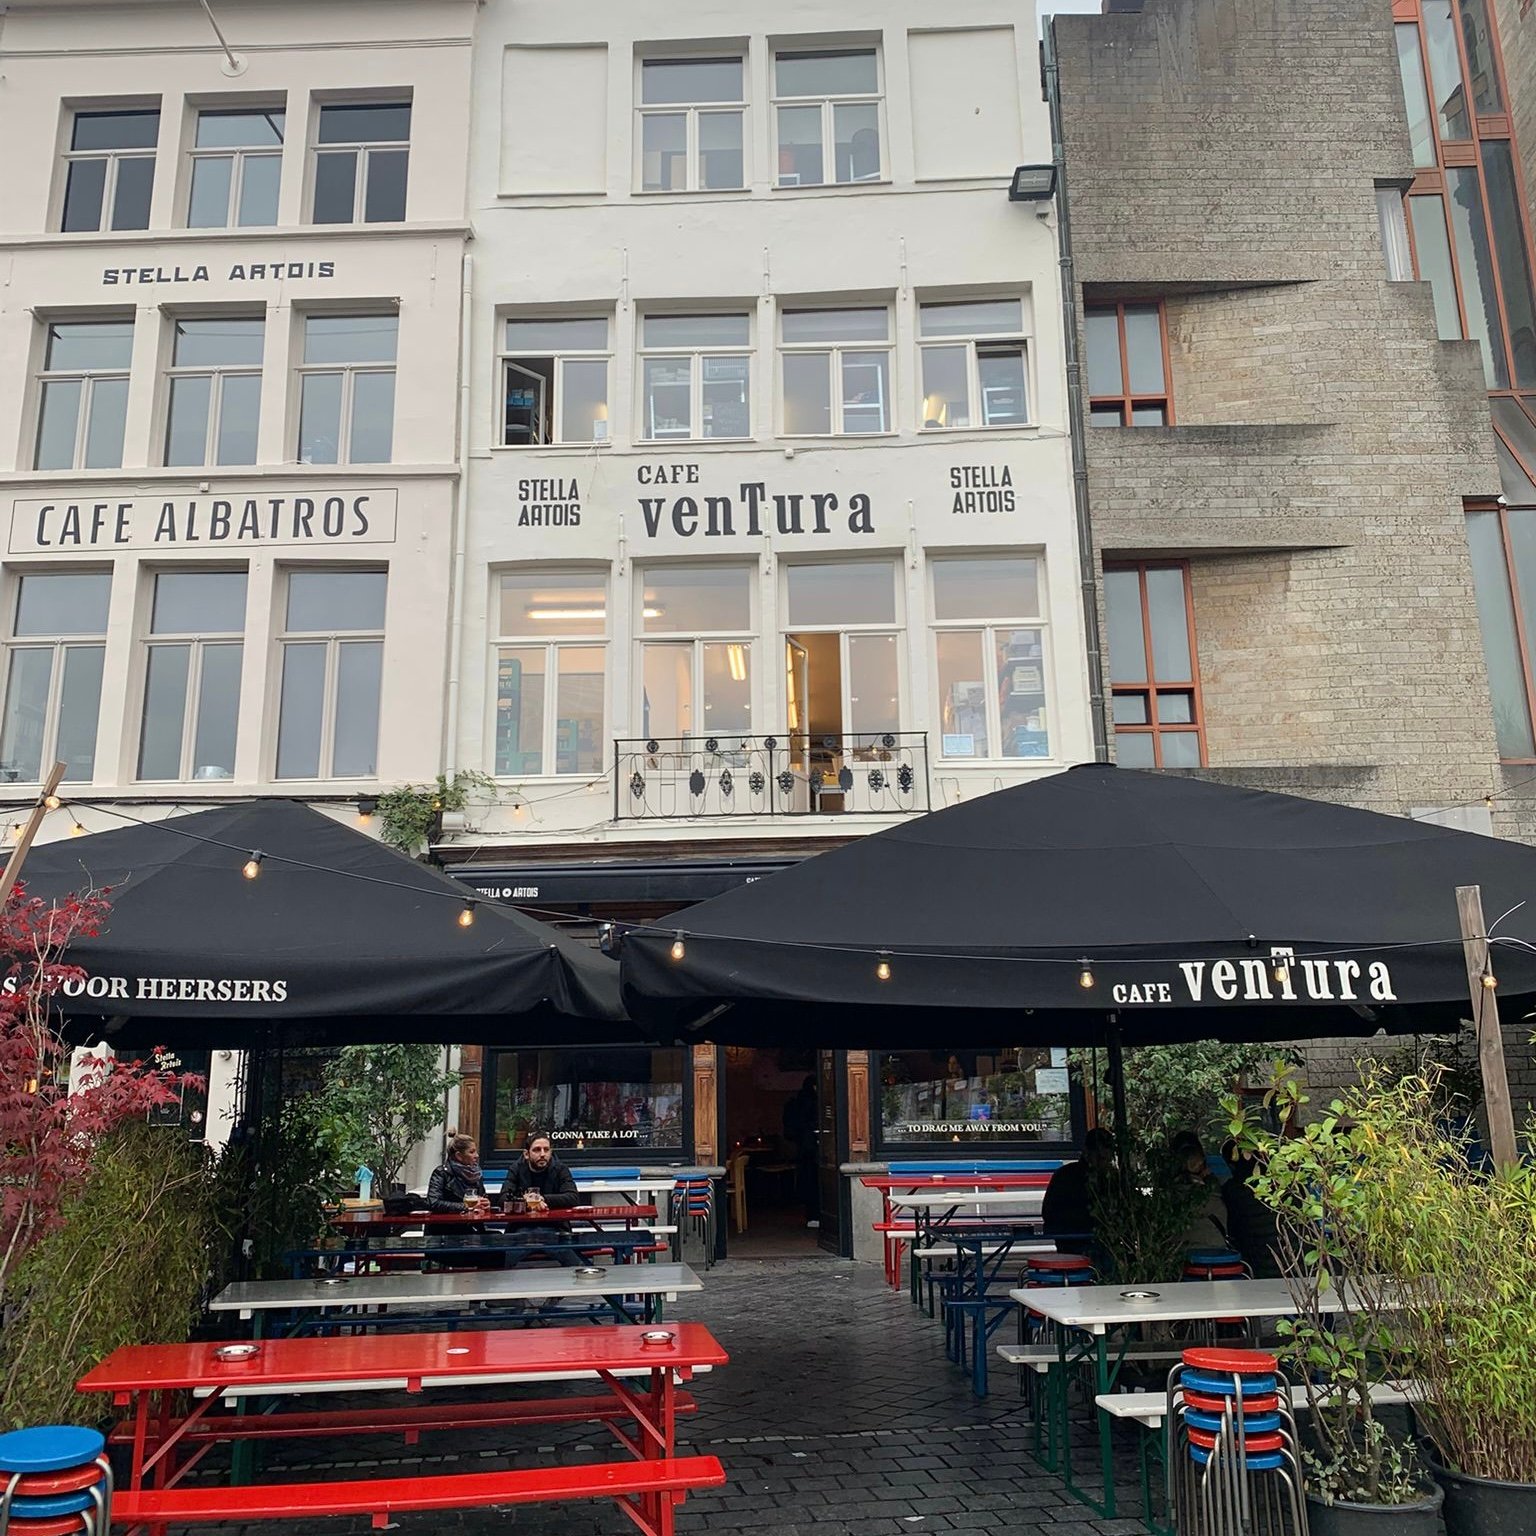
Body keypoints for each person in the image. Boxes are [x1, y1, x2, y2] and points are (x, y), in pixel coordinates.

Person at [503, 1131, 584, 1300]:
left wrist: (543, 1199)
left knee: (544, 1237)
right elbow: (503, 1198)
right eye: (537, 1150)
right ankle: (509, 1294)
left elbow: (573, 1196)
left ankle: (513, 1296)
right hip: (522, 1228)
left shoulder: (560, 1168)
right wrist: (524, 1200)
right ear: (526, 1154)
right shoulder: (516, 1169)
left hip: (554, 1227)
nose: (542, 1154)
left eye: (546, 1150)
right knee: (520, 1243)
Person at [1041, 1126, 1115, 1246]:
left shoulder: (1065, 1173)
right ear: (1087, 1153)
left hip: (1074, 1239)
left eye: (1107, 1159)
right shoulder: (1067, 1176)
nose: (1104, 1163)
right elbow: (1051, 1213)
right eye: (1101, 1158)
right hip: (1074, 1240)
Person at [1220, 1146, 1282, 1278]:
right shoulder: (1285, 1185)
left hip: (1259, 1267)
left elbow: (1233, 1231)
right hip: (1301, 1266)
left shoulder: (1234, 1190)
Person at [783, 1075, 820, 1229]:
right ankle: (815, 1215)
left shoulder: (796, 1102)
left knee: (808, 1181)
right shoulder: (812, 1103)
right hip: (811, 1149)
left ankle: (811, 1215)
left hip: (803, 1149)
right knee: (814, 1181)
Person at [427, 1132, 491, 1215]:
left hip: (474, 1223)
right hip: (449, 1224)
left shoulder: (476, 1173)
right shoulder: (441, 1173)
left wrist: (486, 1204)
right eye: (472, 1152)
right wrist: (465, 1207)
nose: (477, 1155)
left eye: (476, 1152)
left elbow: (482, 1196)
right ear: (459, 1156)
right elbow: (434, 1203)